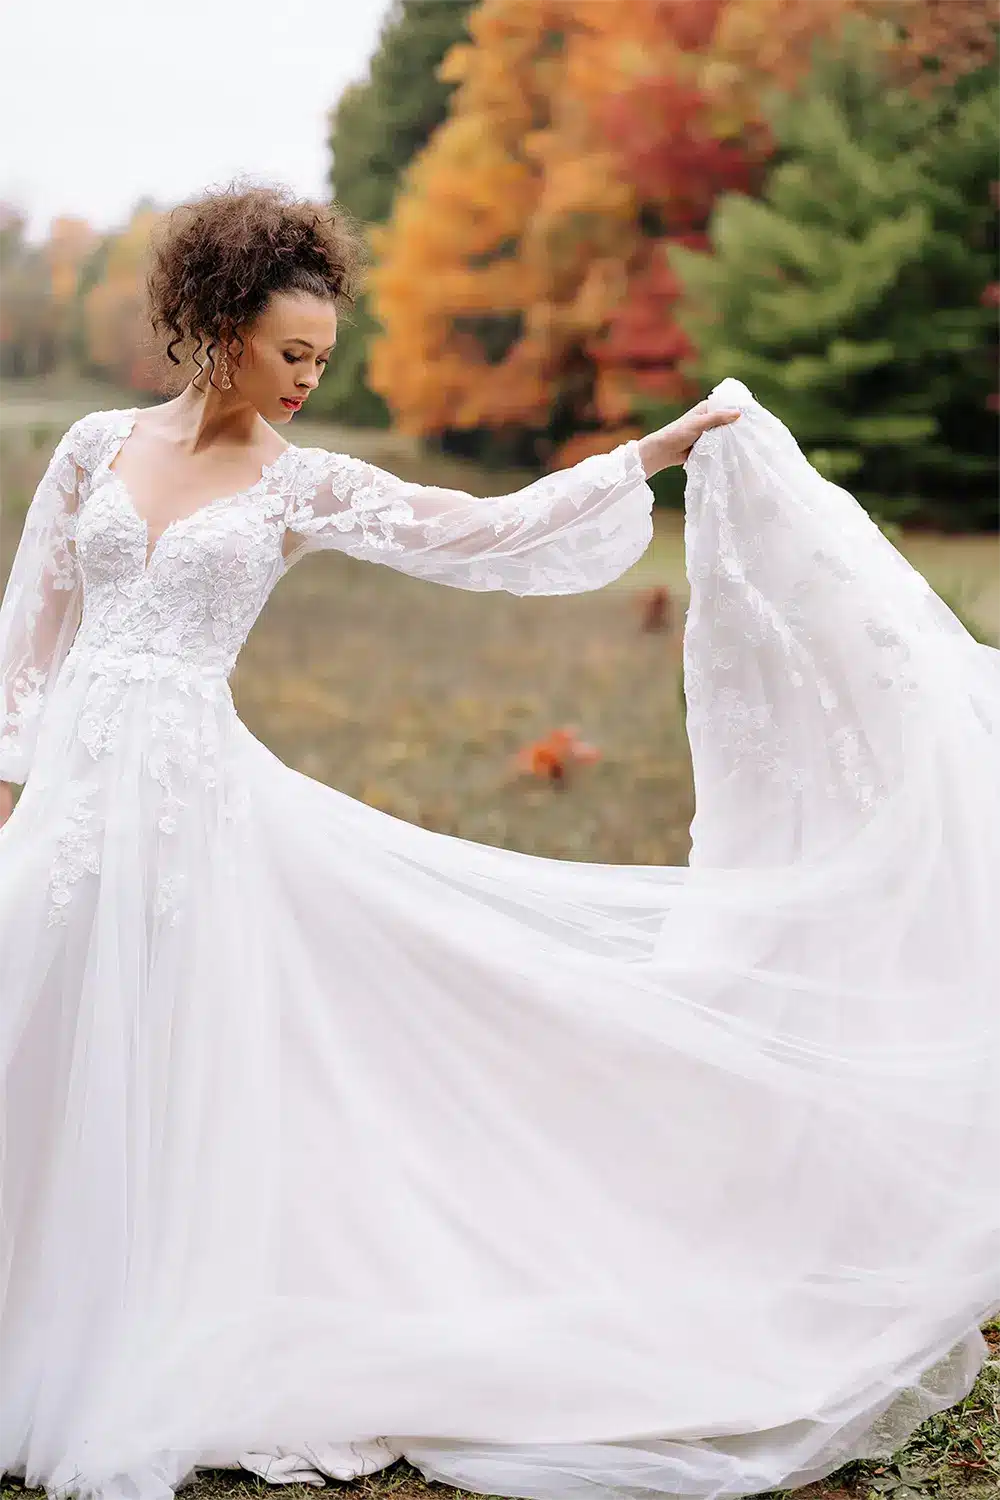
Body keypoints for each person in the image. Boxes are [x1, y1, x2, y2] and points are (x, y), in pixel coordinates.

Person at [0, 184, 997, 1500]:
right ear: (220, 324)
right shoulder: (92, 449)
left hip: (197, 812)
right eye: (293, 353)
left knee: (181, 1059)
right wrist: (15, 787)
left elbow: (484, 529)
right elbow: (32, 633)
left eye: (326, 361)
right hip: (73, 803)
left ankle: (153, 1314)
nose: (309, 379)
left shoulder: (303, 485)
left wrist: (661, 446)